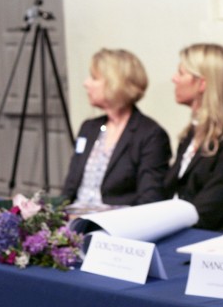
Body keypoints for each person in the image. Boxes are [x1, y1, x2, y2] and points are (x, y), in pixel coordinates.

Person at [164, 43, 223, 232]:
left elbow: (207, 213)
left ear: (202, 83)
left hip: (209, 242)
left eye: (181, 73)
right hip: (179, 231)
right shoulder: (191, 134)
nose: (174, 79)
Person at [60, 48, 170, 210]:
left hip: (116, 226)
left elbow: (150, 200)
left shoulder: (150, 134)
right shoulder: (89, 128)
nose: (86, 83)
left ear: (115, 83)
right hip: (74, 222)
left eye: (94, 78)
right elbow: (70, 187)